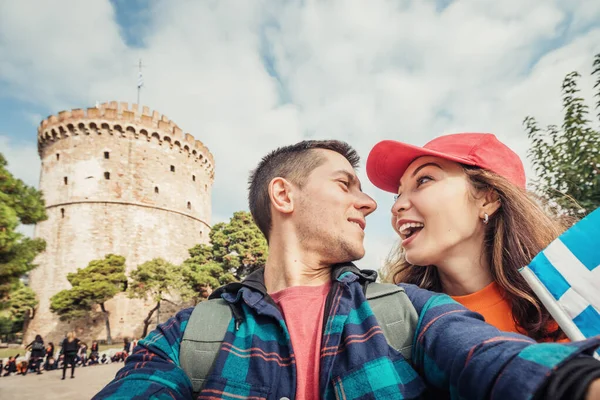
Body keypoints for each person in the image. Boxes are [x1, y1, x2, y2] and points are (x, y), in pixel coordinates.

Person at [94, 140, 600, 400]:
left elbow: (491, 359)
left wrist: (577, 383)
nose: (379, 204)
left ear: (488, 197)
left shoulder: (403, 310)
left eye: (421, 182)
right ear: (284, 194)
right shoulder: (190, 333)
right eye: (346, 184)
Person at [366, 133, 573, 342]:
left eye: (424, 180)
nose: (396, 207)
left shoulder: (569, 299)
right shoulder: (395, 320)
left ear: (488, 199)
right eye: (398, 194)